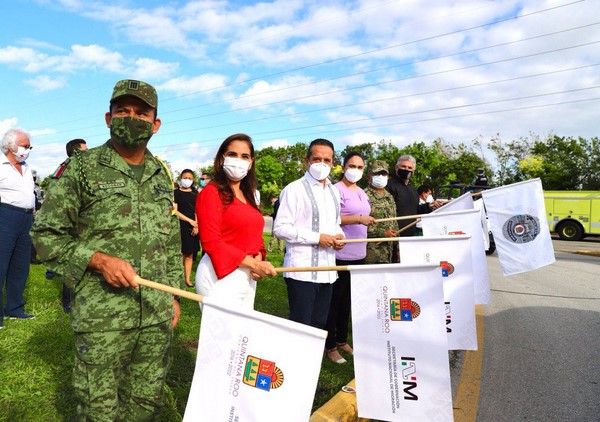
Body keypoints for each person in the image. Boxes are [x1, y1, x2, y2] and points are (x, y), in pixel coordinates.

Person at [31, 79, 183, 420]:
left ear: (155, 124)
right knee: (99, 410)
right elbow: (44, 236)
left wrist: (174, 294)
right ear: (108, 118)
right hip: (103, 318)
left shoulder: (160, 173)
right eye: (123, 111)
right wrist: (98, 261)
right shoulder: (81, 168)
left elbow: (169, 237)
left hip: (155, 312)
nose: (132, 118)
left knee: (145, 405)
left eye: (141, 113)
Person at [195, 133, 276, 310]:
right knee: (223, 336)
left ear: (251, 161)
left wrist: (260, 257)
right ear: (222, 158)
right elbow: (211, 242)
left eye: (244, 156)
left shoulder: (249, 196)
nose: (238, 160)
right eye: (232, 155)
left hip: (247, 276)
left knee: (241, 336)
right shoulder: (211, 192)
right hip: (220, 275)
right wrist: (254, 264)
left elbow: (255, 235)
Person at [273, 138, 345, 330]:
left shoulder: (334, 191)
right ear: (307, 161)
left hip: (328, 271)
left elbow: (335, 223)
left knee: (319, 324)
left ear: (333, 163)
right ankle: (294, 360)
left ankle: (311, 360)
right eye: (316, 159)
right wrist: (316, 238)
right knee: (301, 325)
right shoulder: (294, 189)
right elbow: (280, 228)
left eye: (327, 160)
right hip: (301, 271)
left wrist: (339, 237)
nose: (322, 164)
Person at [325, 152, 374, 364]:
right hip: (340, 255)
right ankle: (330, 346)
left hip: (359, 254)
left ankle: (343, 339)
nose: (355, 170)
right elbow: (332, 219)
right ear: (343, 167)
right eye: (351, 165)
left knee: (347, 301)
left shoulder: (363, 192)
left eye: (360, 167)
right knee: (334, 302)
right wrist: (358, 218)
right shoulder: (335, 190)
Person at [0, 128, 36, 328]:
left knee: (20, 267)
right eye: (25, 145)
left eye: (29, 146)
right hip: (5, 215)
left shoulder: (27, 166)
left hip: (26, 218)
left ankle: (14, 309)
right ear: (10, 145)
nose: (28, 149)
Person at [51, 138, 89, 312]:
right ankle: (69, 300)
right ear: (77, 152)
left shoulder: (65, 166)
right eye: (85, 149)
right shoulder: (72, 167)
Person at [386, 155, 441, 237]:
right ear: (396, 167)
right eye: (403, 166)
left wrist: (430, 206)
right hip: (394, 235)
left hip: (410, 236)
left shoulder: (412, 189)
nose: (406, 169)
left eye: (409, 168)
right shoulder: (389, 186)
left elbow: (415, 209)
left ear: (413, 171)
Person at [364, 160, 398, 264]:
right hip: (371, 253)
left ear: (388, 177)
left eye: (383, 174)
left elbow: (394, 222)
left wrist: (398, 248)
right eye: (376, 173)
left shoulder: (389, 196)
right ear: (369, 176)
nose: (380, 176)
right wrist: (382, 233)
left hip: (389, 252)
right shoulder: (363, 195)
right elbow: (359, 225)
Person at [174, 169, 200, 287]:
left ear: (193, 180)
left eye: (190, 178)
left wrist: (197, 224)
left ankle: (187, 279)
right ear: (181, 178)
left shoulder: (196, 194)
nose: (187, 180)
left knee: (189, 254)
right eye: (185, 178)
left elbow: (198, 210)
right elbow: (174, 211)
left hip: (193, 227)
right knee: (178, 253)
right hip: (180, 225)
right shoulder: (176, 193)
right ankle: (176, 277)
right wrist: (189, 221)